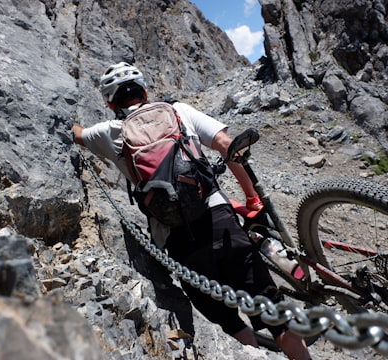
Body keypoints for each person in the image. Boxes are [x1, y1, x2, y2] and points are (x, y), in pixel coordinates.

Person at [72, 62, 311, 359]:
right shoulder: (179, 111)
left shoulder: (109, 132)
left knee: (230, 325)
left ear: (109, 102)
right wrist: (251, 199)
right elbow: (227, 145)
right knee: (275, 316)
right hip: (220, 220)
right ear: (145, 91)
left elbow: (76, 133)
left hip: (178, 242)